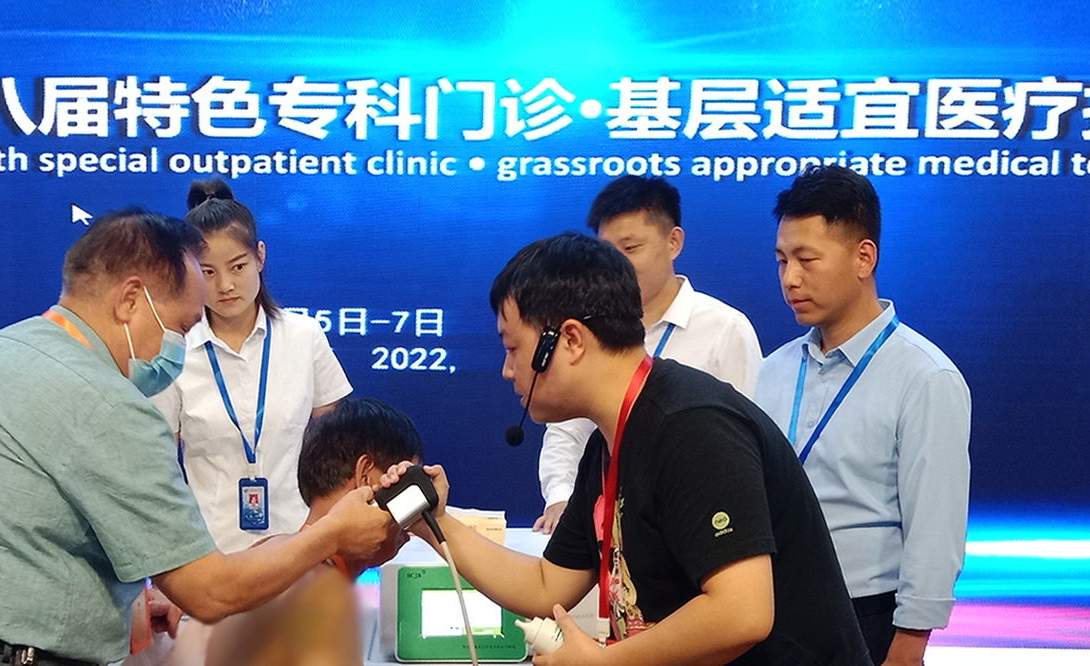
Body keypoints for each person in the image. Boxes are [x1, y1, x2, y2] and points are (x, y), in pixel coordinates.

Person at [0, 209, 398, 666]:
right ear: (130, 300)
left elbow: (19, 534)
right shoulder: (105, 401)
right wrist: (330, 535)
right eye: (181, 327)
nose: (175, 350)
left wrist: (115, 601)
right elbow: (210, 594)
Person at [384, 233, 869, 665]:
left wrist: (605, 663)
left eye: (513, 348)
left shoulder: (691, 425)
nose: (508, 370)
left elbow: (741, 613)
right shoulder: (610, 441)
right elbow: (547, 585)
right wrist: (436, 524)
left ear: (569, 340)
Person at [752, 165, 972, 666]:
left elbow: (934, 528)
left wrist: (910, 643)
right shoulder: (772, 370)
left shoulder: (925, 377)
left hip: (866, 617)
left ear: (864, 257)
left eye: (807, 259)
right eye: (782, 260)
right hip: (767, 613)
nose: (790, 278)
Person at [534, 176, 762, 534]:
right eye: (606, 252)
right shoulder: (584, 330)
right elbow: (567, 432)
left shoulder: (725, 329)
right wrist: (561, 499)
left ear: (674, 242)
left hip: (693, 526)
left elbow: (743, 450)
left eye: (630, 248)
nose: (614, 267)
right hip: (601, 528)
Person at [151, 178, 351, 554]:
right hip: (209, 555)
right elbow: (158, 468)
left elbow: (337, 453)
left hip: (301, 547)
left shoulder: (304, 336)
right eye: (208, 272)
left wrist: (323, 534)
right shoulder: (173, 351)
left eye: (238, 266)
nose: (225, 285)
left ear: (260, 256)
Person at [203, 397, 425, 666]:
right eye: (406, 487)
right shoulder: (319, 594)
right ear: (365, 476)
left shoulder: (273, 556)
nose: (411, 516)